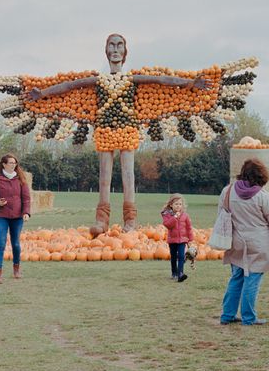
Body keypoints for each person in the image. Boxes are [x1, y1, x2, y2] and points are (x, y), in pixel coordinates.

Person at [27, 33, 212, 234]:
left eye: (119, 46)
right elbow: (70, 86)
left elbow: (161, 80)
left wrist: (190, 83)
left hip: (127, 129)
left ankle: (130, 221)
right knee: (104, 177)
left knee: (128, 176)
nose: (115, 50)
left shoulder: (131, 79)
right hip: (105, 129)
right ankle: (102, 221)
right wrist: (43, 94)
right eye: (112, 46)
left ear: (125, 52)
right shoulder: (99, 80)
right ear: (106, 51)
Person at [219, 159, 269, 326]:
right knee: (252, 280)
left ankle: (227, 315)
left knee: (236, 278)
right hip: (258, 245)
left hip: (236, 242)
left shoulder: (227, 191)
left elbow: (222, 215)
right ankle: (249, 318)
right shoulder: (262, 197)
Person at [0, 154, 31, 284]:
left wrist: (26, 212)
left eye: (15, 163)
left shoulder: (21, 180)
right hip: (1, 216)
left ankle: (16, 269)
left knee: (16, 244)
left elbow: (26, 199)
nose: (13, 165)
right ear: (4, 164)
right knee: (1, 243)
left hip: (17, 217)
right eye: (11, 163)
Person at [161, 194, 193, 282]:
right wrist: (174, 217)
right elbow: (168, 225)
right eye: (176, 204)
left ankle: (180, 274)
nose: (178, 206)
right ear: (171, 205)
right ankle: (174, 273)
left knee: (181, 256)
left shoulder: (185, 215)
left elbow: (189, 228)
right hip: (172, 240)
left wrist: (190, 239)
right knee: (174, 257)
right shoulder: (167, 215)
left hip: (182, 240)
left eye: (180, 204)